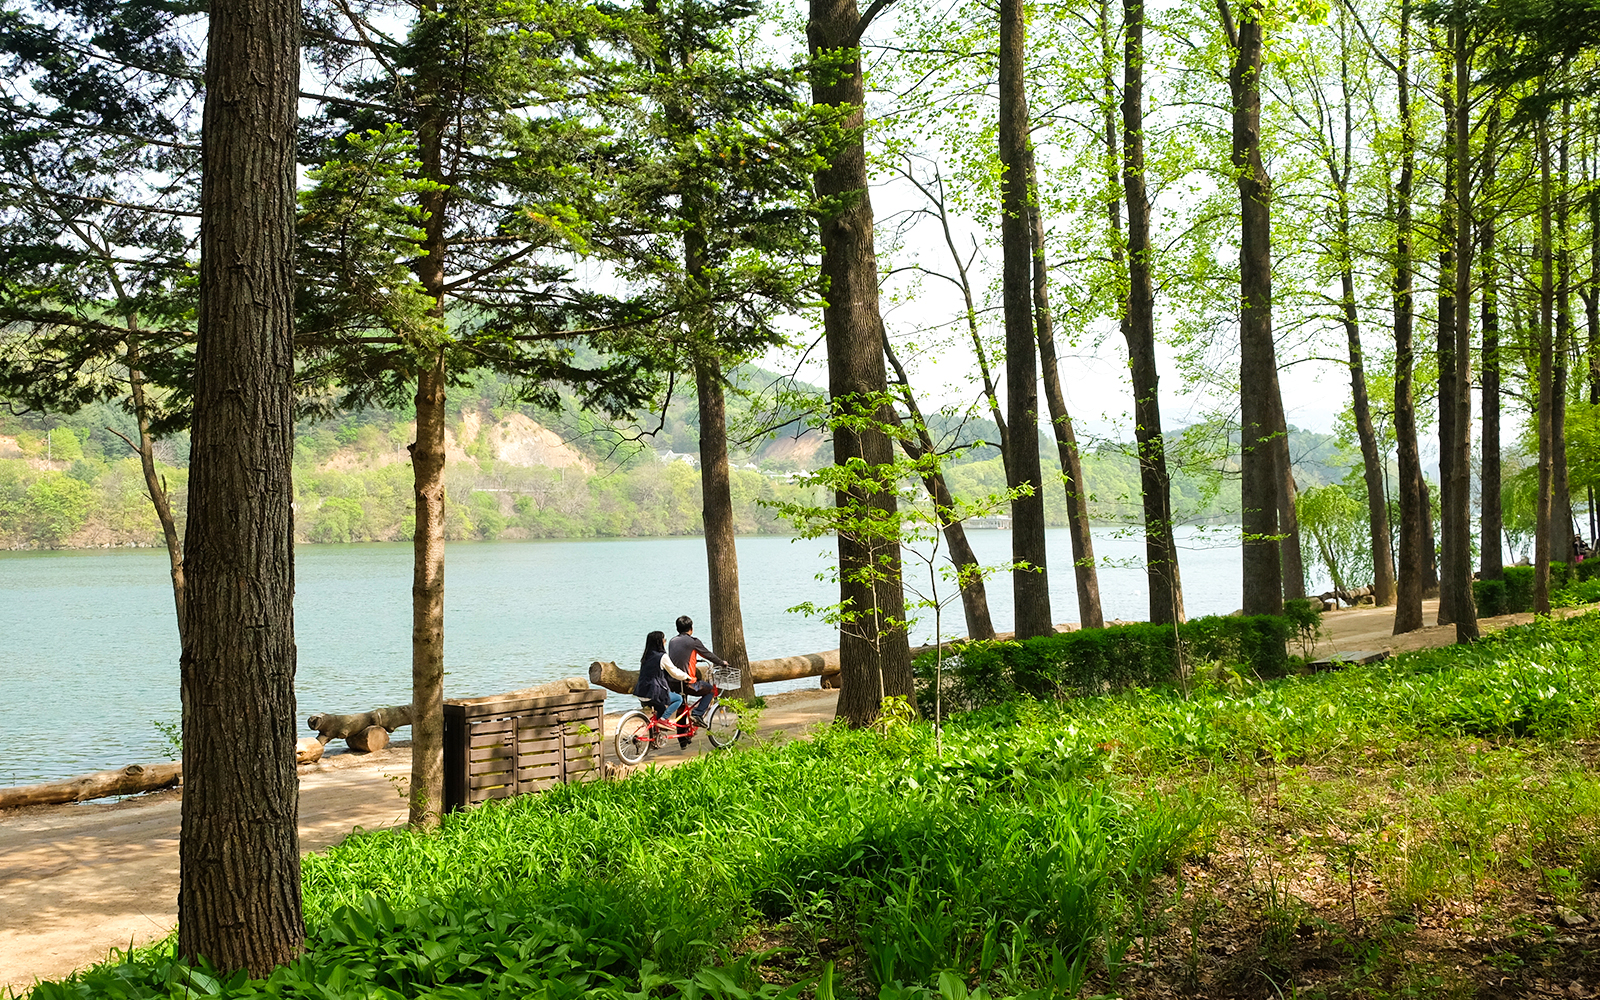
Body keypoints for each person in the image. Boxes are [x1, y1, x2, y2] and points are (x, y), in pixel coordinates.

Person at [666, 615, 728, 742]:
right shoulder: (693, 642)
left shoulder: (672, 641)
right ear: (691, 628)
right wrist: (722, 663)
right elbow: (708, 654)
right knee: (710, 690)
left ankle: (682, 740)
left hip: (672, 682)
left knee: (682, 706)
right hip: (687, 682)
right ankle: (698, 714)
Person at [632, 630, 687, 729]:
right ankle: (664, 719)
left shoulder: (645, 657)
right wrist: (686, 676)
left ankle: (655, 735)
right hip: (654, 693)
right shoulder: (662, 657)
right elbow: (674, 672)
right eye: (664, 640)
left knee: (661, 708)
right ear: (660, 642)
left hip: (641, 693)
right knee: (678, 699)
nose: (665, 642)